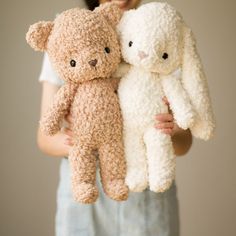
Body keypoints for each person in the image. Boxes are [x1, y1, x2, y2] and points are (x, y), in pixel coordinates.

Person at [37, 0, 193, 235]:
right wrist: (81, 142)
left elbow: (185, 143)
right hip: (87, 191)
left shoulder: (161, 31)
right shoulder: (66, 32)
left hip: (147, 192)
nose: (121, 0)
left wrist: (165, 133)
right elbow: (45, 138)